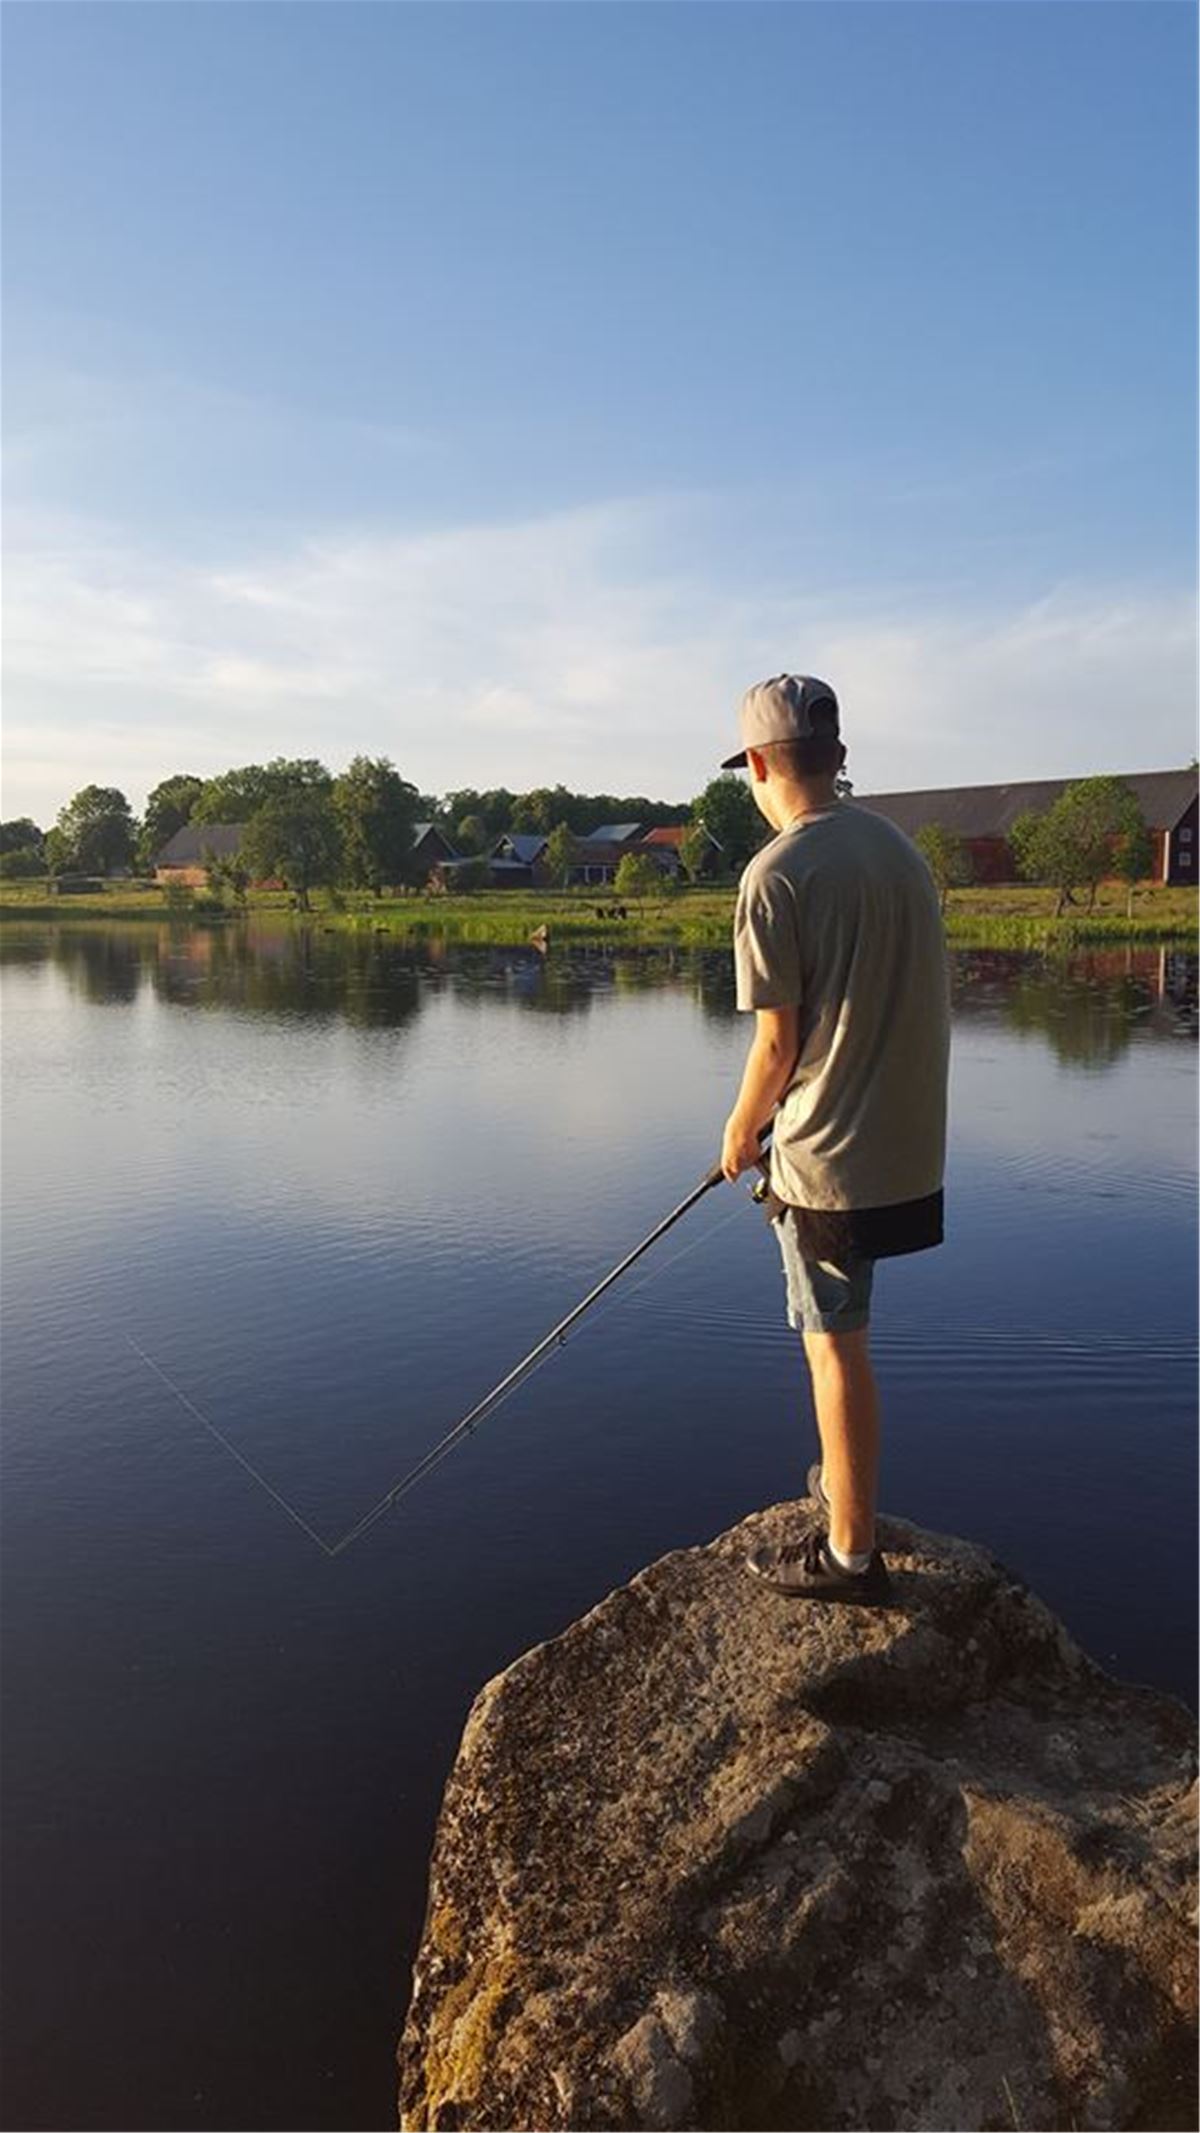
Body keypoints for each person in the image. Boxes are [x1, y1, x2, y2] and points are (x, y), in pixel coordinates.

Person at [718, 674, 950, 1602]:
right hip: (906, 1152)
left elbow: (778, 1041)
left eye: (749, 769)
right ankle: (841, 1483)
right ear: (837, 757)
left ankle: (851, 1553)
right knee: (845, 1334)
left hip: (826, 1161)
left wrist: (740, 1131)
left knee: (833, 1343)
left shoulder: (776, 875)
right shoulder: (899, 852)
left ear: (764, 763)